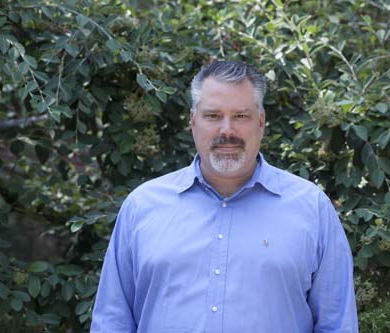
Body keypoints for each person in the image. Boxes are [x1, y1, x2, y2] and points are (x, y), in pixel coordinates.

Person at [91, 61, 358, 332]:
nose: (227, 131)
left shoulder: (312, 209)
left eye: (241, 116)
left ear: (261, 122)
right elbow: (112, 321)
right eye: (213, 116)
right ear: (193, 122)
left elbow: (337, 324)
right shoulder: (142, 206)